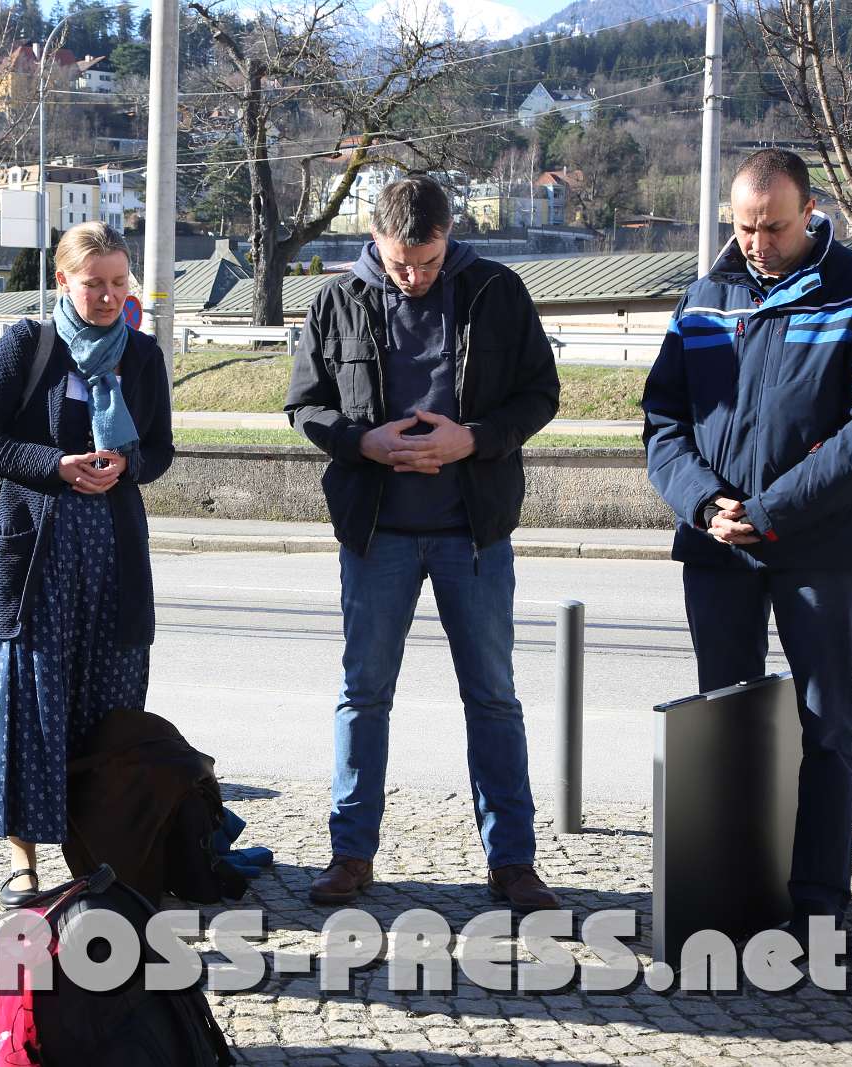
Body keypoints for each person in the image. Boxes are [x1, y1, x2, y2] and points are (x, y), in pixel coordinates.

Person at [285, 174, 562, 912]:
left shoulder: (497, 290)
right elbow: (304, 406)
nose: (414, 277)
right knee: (363, 695)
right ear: (375, 240)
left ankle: (513, 862)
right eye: (400, 263)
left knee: (493, 697)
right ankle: (351, 854)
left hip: (473, 532)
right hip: (376, 533)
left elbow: (540, 394)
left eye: (429, 262)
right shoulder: (336, 299)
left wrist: (474, 439)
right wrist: (362, 443)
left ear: (450, 237)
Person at [642, 148, 852, 936]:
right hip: (719, 547)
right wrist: (703, 501)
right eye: (745, 228)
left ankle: (817, 898)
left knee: (826, 724)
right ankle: (735, 893)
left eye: (774, 227)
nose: (758, 244)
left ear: (811, 211)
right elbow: (663, 422)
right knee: (725, 723)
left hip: (821, 548)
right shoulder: (703, 298)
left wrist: (773, 509)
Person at [0, 221, 174, 906]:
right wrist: (56, 464)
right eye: (93, 284)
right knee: (31, 706)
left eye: (118, 283)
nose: (108, 297)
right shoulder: (28, 344)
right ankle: (23, 862)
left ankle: (98, 854)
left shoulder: (142, 355)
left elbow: (161, 449)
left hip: (112, 557)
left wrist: (126, 465)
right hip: (36, 561)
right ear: (62, 281)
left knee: (107, 708)